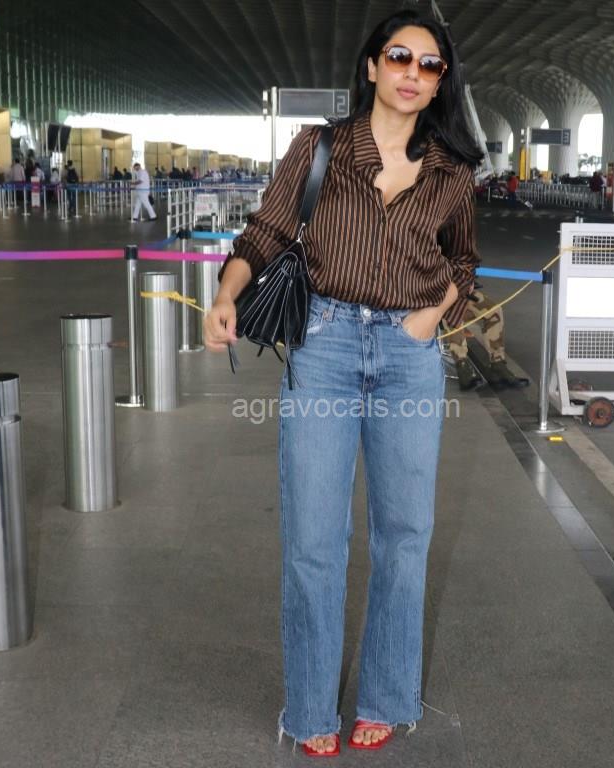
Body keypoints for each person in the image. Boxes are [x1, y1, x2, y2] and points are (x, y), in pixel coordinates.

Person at [204, 9, 482, 757]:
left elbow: (462, 262)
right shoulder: (319, 146)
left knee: (404, 535)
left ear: (440, 83)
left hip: (407, 356)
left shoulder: (453, 173)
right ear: (371, 67)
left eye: (429, 65)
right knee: (313, 538)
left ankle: (388, 695)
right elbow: (266, 232)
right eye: (399, 57)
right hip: (324, 345)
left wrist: (430, 318)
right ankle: (310, 709)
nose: (413, 73)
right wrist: (227, 293)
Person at [443, 278, 528, 390]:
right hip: (438, 295)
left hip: (461, 290)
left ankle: (498, 364)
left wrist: (468, 280)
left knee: (494, 311)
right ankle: (462, 366)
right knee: (453, 314)